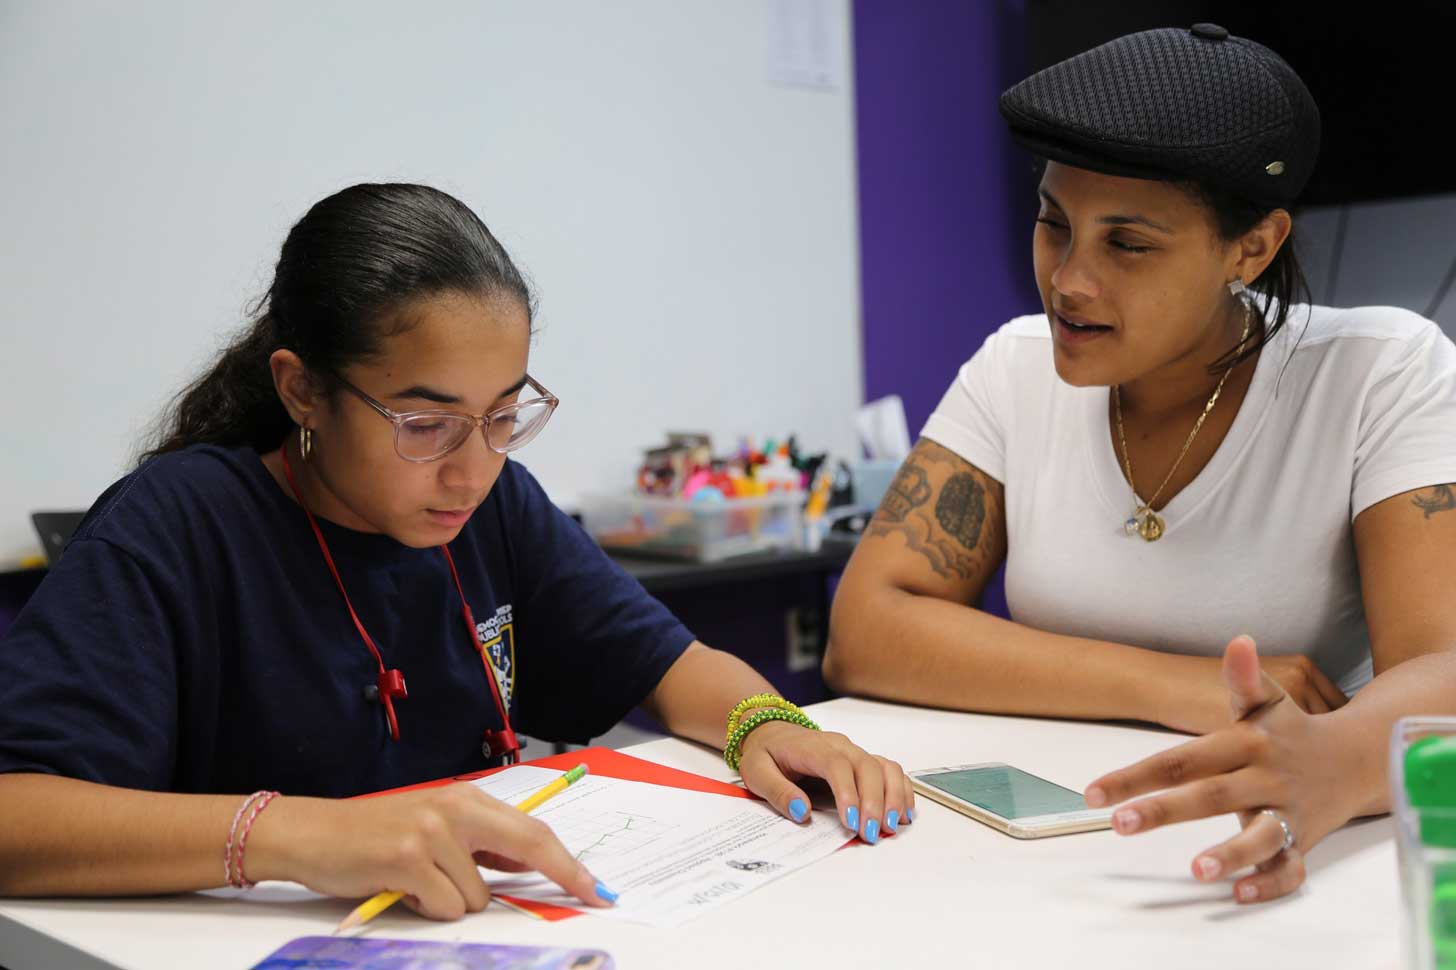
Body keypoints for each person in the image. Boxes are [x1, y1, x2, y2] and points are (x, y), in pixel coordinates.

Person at [0, 183, 912, 919]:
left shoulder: (493, 507)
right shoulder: (179, 526)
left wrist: (771, 726)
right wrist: (301, 838)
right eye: (427, 423)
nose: (473, 469)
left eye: (504, 416)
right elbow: (17, 818)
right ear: (304, 390)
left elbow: (674, 666)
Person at [824, 24, 1456, 903]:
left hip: (1300, 852)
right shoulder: (1014, 365)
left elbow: (1444, 674)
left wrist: (1332, 768)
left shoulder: (1381, 371)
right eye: (1054, 224)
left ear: (1253, 247)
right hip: (1048, 860)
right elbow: (866, 629)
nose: (1069, 281)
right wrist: (1180, 685)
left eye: (1128, 245)